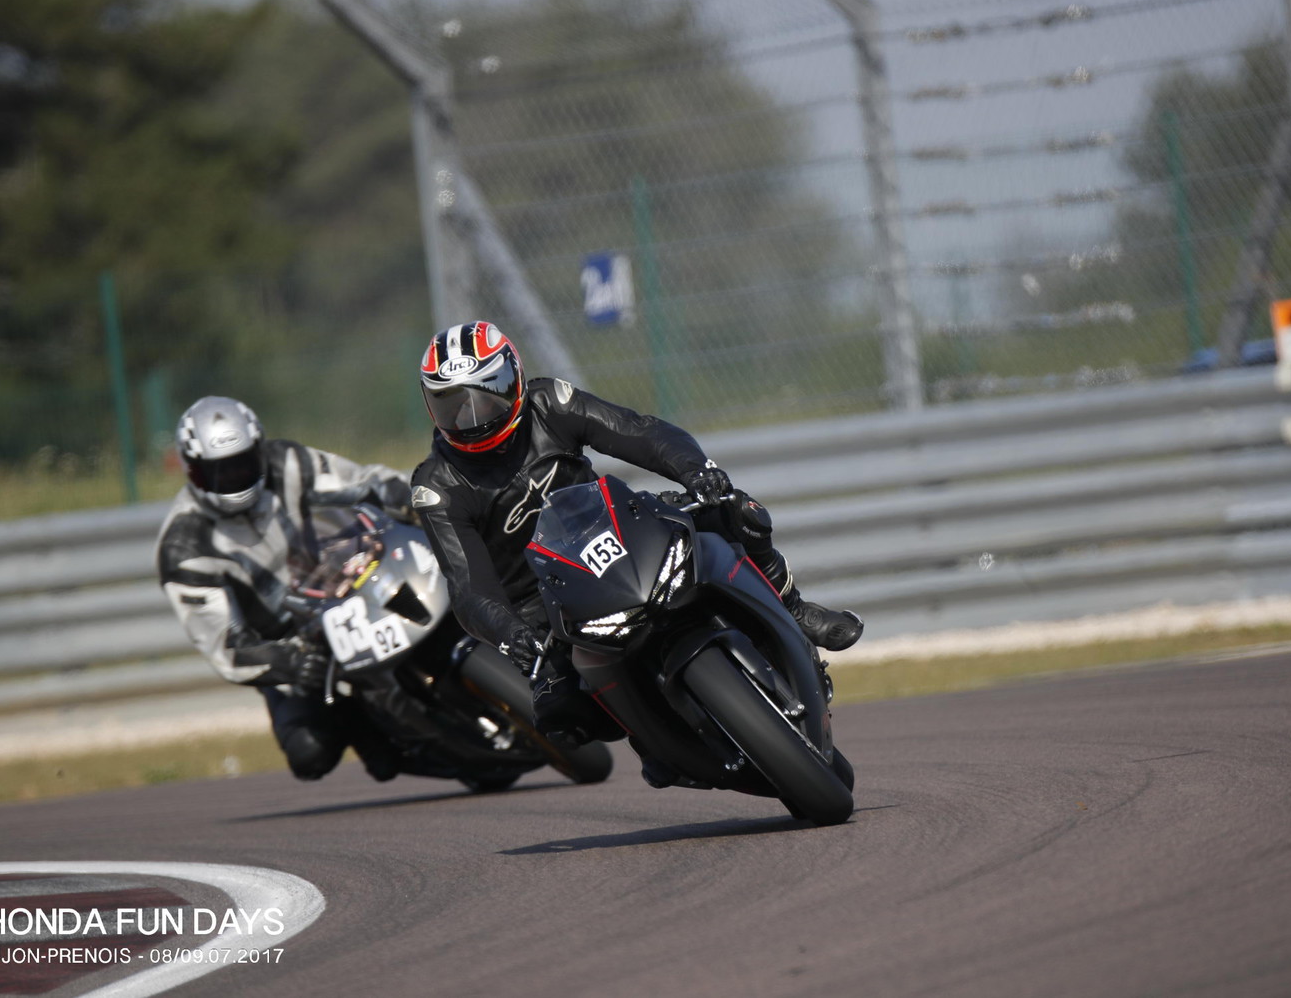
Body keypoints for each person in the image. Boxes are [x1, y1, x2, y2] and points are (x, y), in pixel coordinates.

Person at [409, 321, 863, 752]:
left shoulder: (551, 403)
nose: (472, 417)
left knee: (736, 511)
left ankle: (793, 608)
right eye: (453, 405)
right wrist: (510, 635)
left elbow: (638, 432)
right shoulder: (437, 485)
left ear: (513, 379)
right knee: (562, 716)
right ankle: (657, 742)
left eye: (486, 396)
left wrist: (696, 471)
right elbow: (468, 586)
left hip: (618, 531)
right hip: (545, 603)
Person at [155, 395, 415, 782]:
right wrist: (291, 661)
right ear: (193, 471)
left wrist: (408, 497)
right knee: (309, 754)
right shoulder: (183, 547)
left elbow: (363, 482)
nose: (234, 477)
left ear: (259, 451)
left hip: (350, 590)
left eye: (243, 463)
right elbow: (228, 650)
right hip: (292, 647)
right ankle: (358, 722)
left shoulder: (288, 463)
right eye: (219, 471)